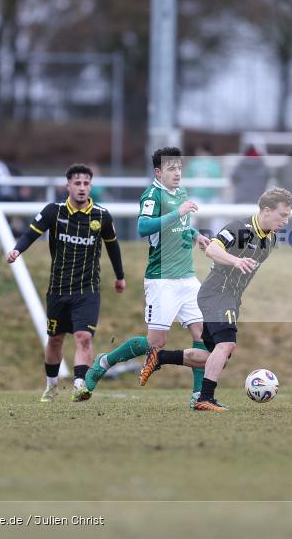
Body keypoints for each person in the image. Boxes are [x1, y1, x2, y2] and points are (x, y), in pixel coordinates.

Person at [83, 148, 212, 407]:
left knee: (203, 335)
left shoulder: (180, 194)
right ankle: (104, 362)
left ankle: (199, 395)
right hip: (161, 279)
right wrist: (178, 213)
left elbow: (180, 225)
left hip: (186, 277)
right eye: (171, 169)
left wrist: (196, 235)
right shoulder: (152, 195)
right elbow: (143, 227)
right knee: (156, 343)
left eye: (179, 168)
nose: (177, 173)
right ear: (158, 172)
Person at [7, 164, 126, 403]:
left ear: (90, 186)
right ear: (68, 186)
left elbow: (113, 246)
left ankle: (80, 385)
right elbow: (31, 233)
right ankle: (51, 386)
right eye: (77, 183)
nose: (82, 188)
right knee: (55, 339)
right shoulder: (54, 211)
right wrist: (17, 250)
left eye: (86, 183)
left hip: (87, 289)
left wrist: (120, 276)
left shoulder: (101, 216)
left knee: (83, 337)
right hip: (58, 288)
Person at [193, 187, 292, 411]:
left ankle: (160, 357)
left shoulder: (271, 239)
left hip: (232, 298)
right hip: (217, 292)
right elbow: (212, 250)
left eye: (288, 215)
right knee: (226, 344)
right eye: (283, 215)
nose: (286, 221)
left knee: (214, 354)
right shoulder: (240, 228)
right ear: (267, 210)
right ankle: (204, 398)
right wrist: (235, 261)